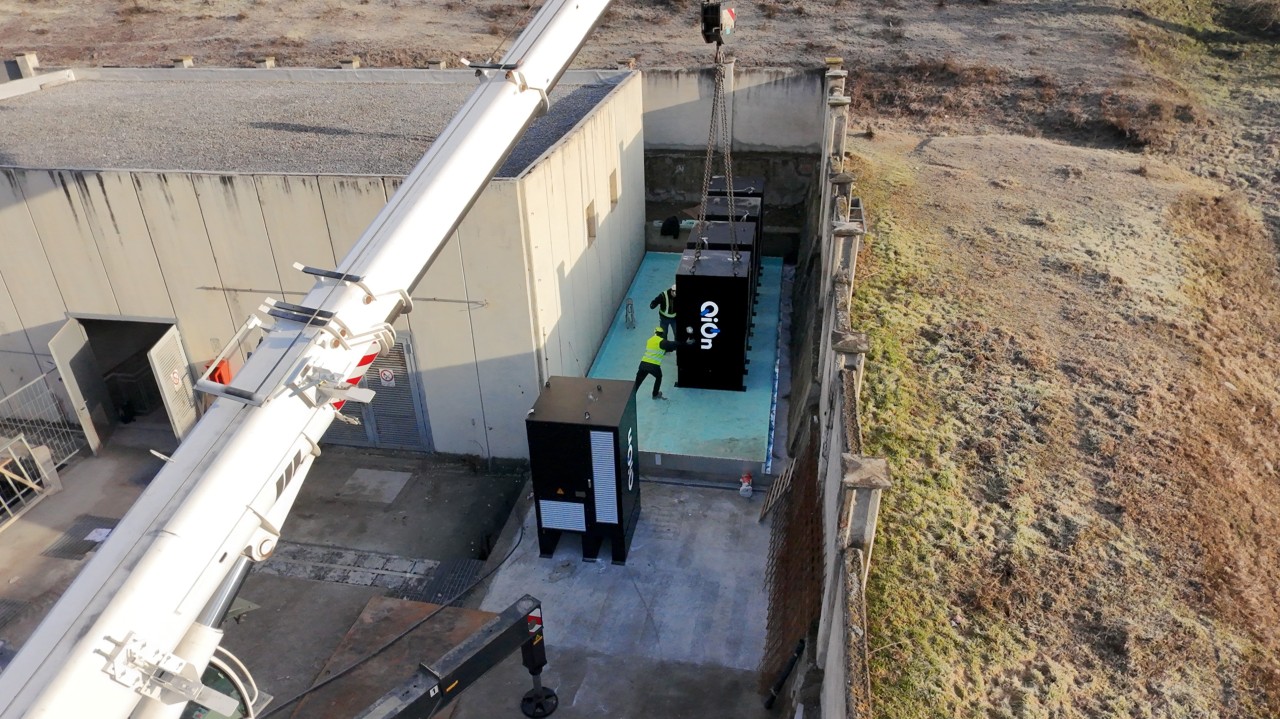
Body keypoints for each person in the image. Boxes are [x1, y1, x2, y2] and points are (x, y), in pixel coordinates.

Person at [633, 326, 683, 400]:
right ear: (662, 334)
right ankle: (655, 394)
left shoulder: (649, 340)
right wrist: (685, 343)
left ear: (655, 332)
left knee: (638, 381)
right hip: (654, 366)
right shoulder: (662, 341)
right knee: (658, 377)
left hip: (643, 364)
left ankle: (630, 396)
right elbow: (672, 345)